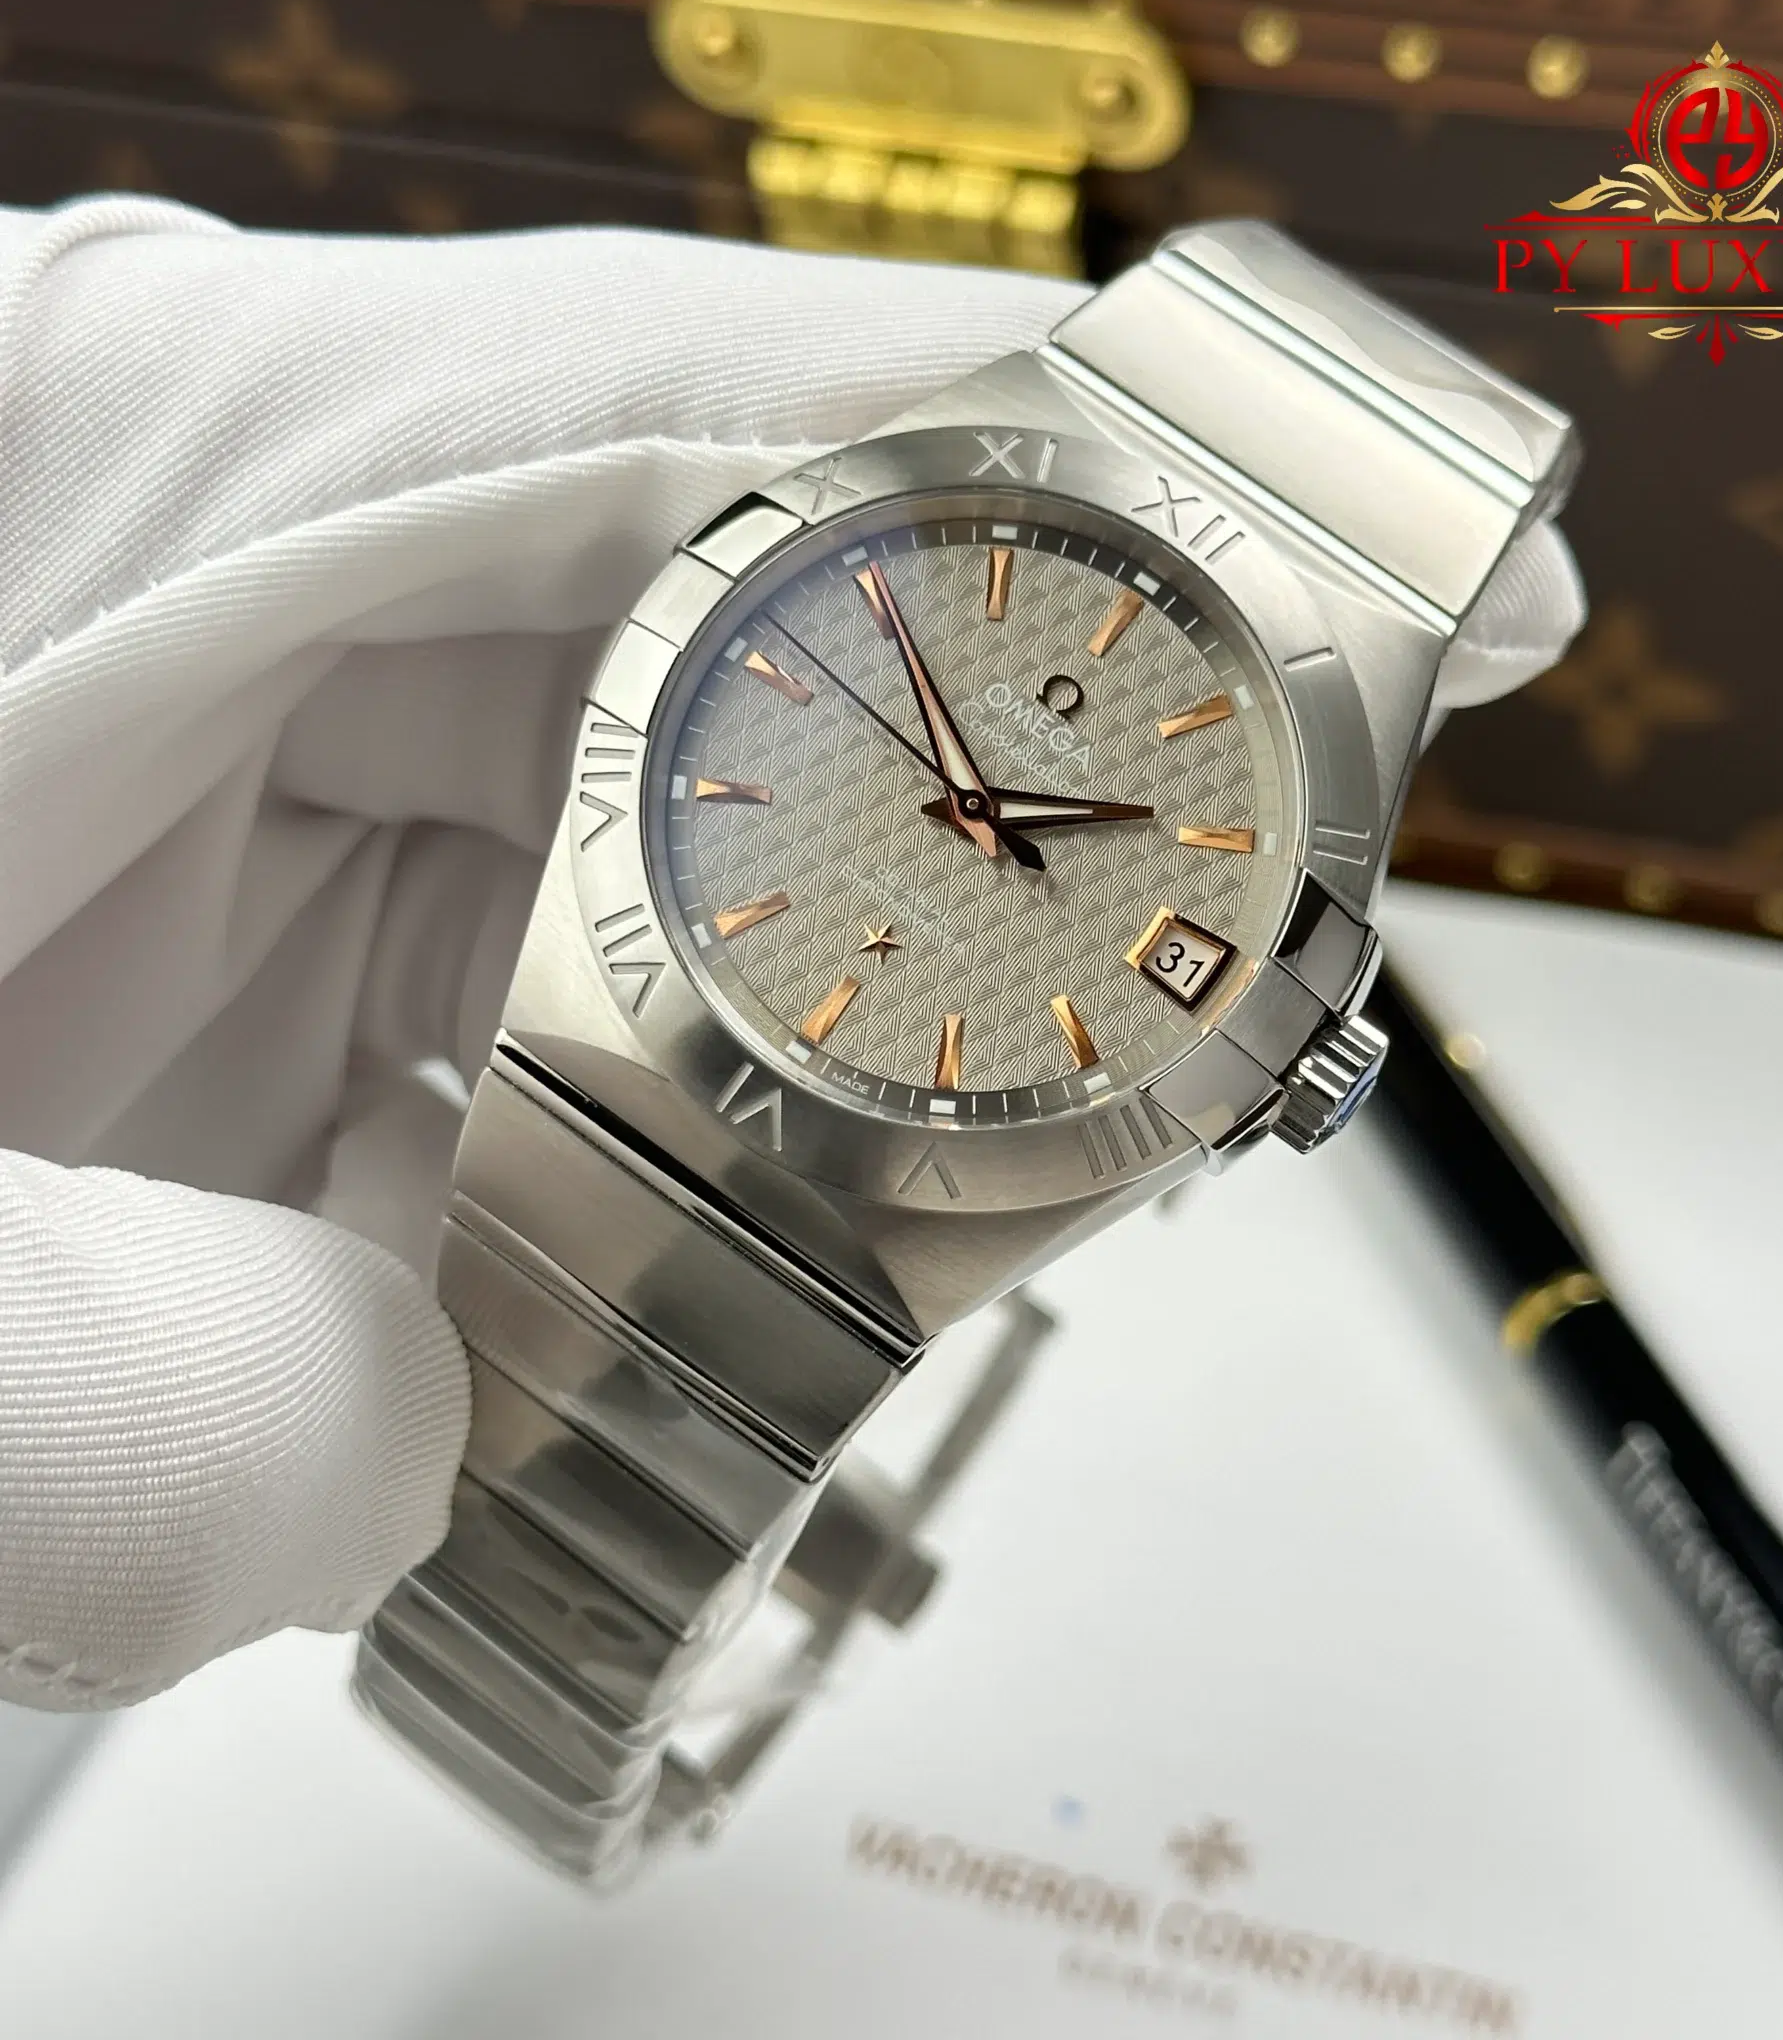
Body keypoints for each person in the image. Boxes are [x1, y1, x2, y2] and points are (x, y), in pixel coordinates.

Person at [0, 197, 1581, 1712]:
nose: (971, 818)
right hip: (695, 946)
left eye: (986, 818)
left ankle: (584, 1643)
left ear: (1297, 1064)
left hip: (858, 1099)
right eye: (965, 798)